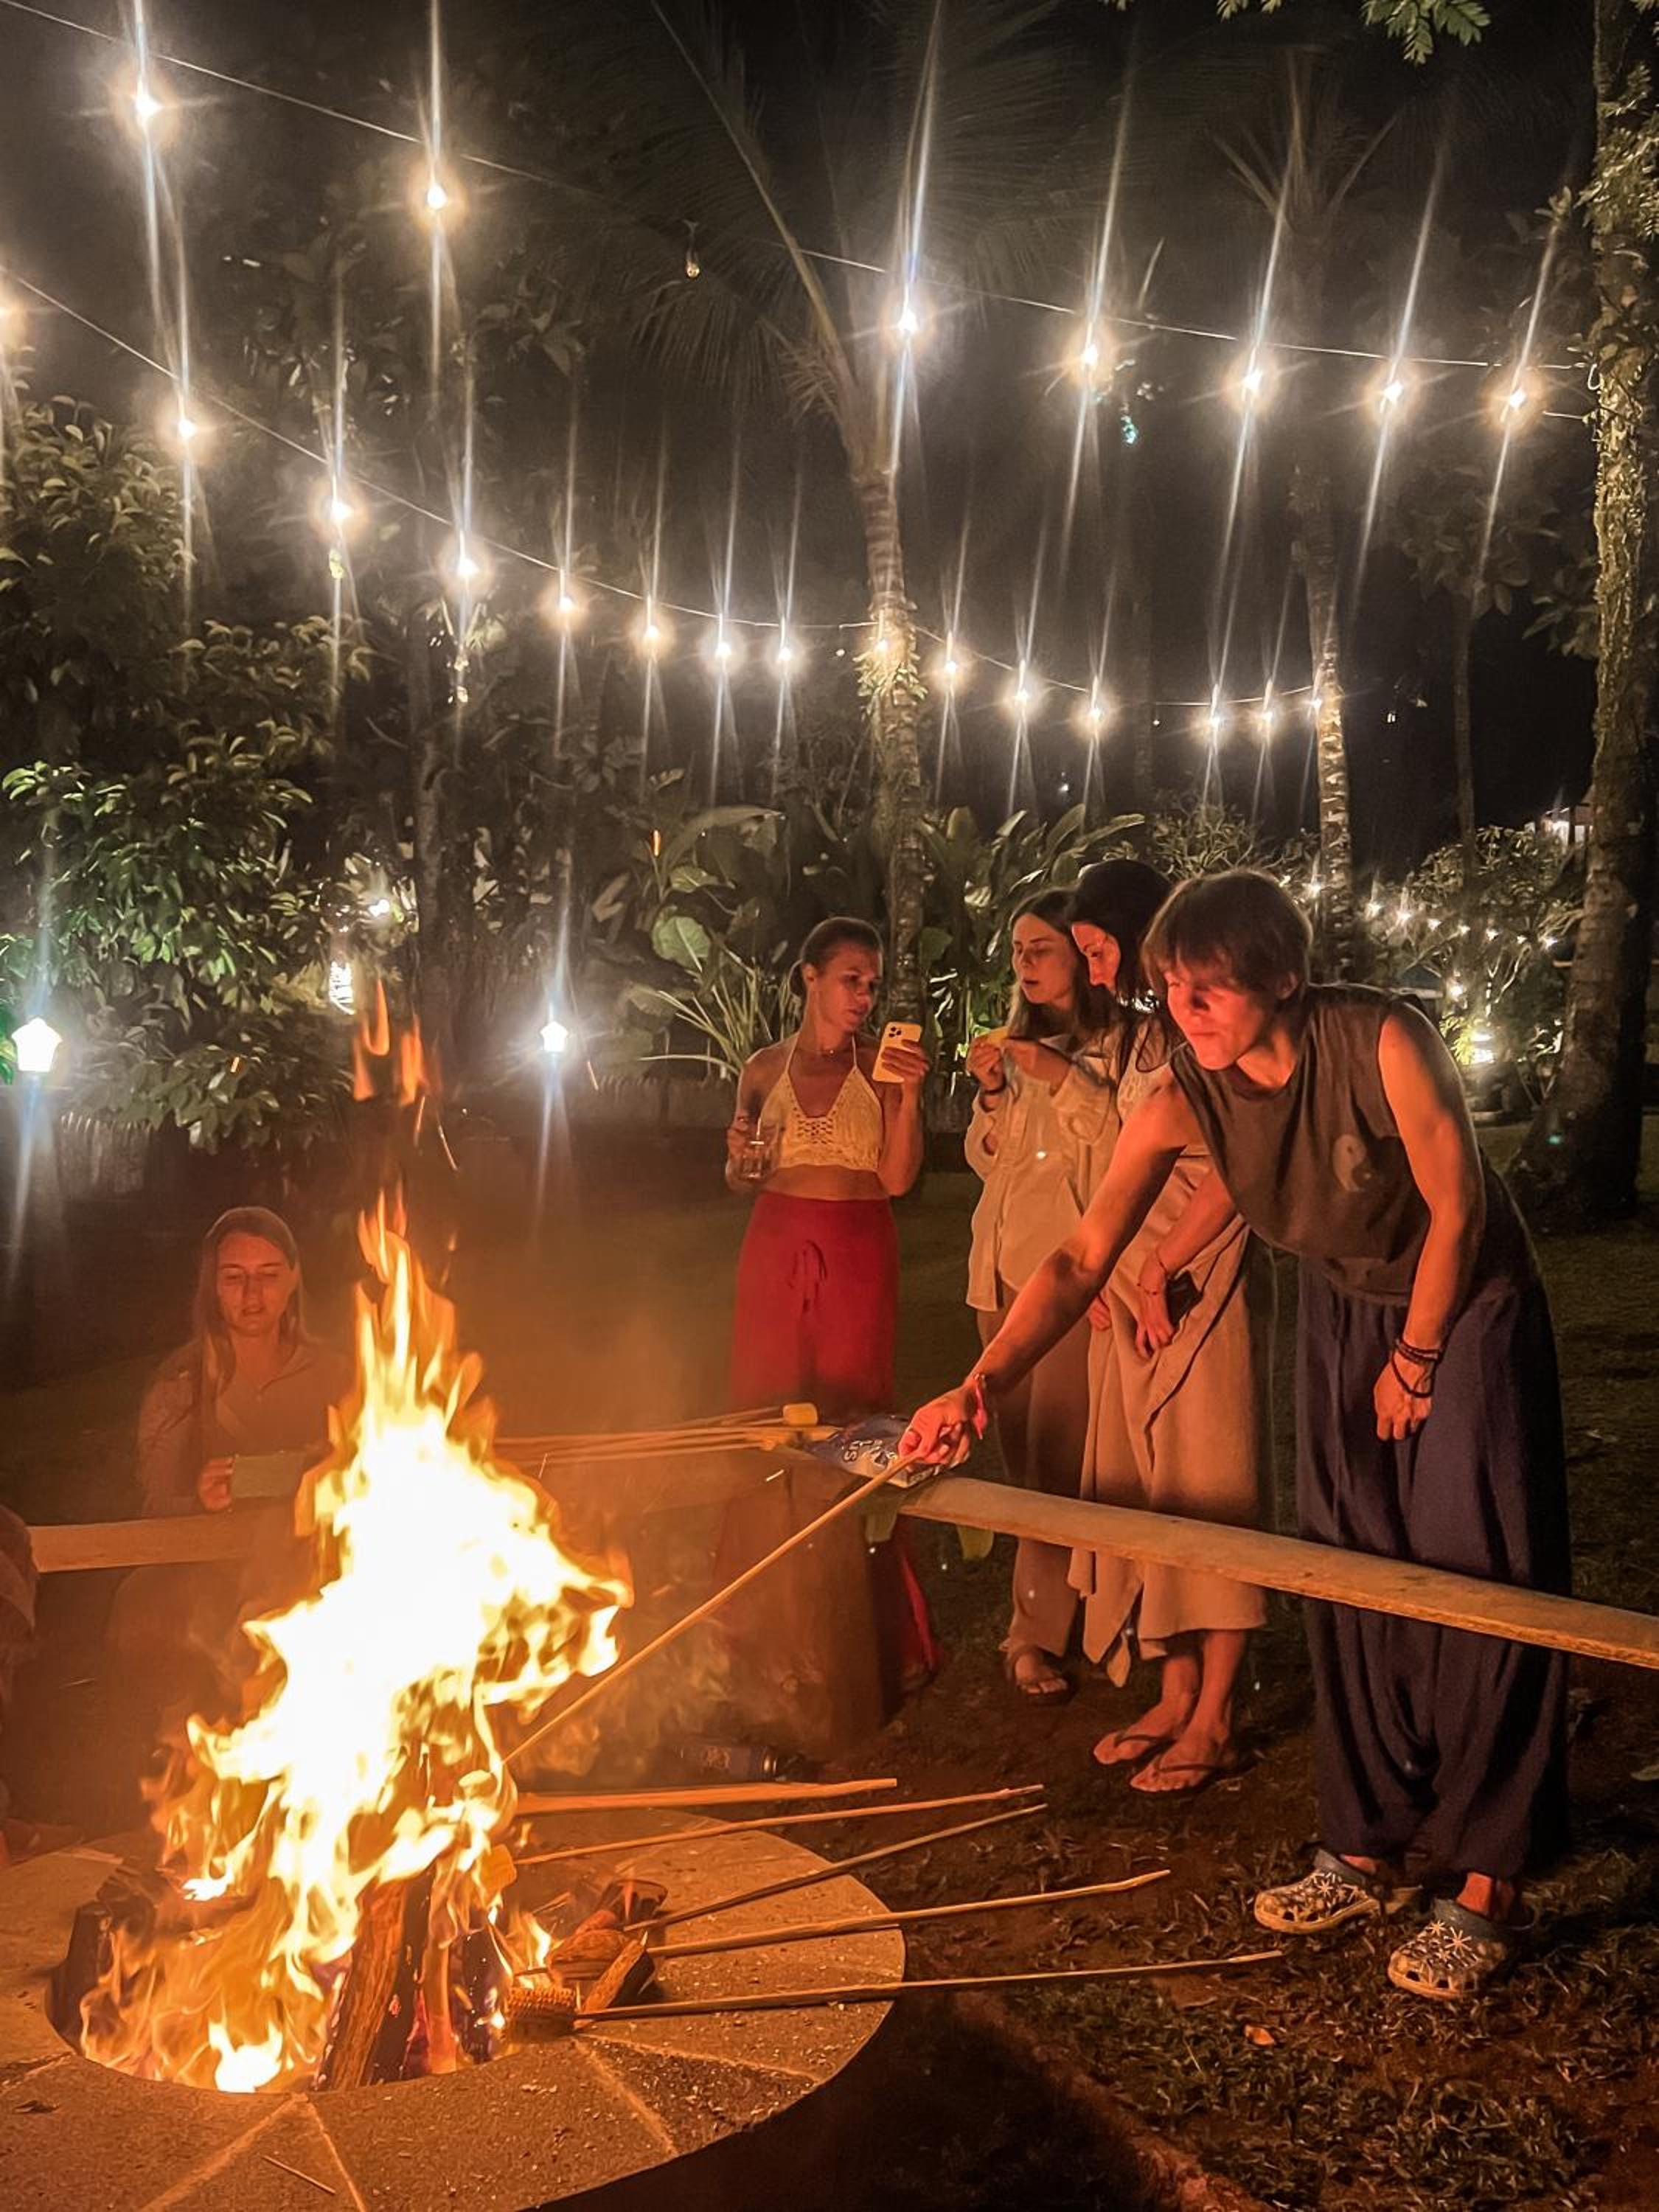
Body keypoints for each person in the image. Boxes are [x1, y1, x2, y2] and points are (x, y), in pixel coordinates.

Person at [902, 870, 1569, 2002]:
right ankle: (1364, 1844)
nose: (1185, 1010)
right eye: (1171, 987)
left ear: (1282, 980)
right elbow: (1080, 1256)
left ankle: (1485, 1879)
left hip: (1463, 1301)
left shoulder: (1383, 1040)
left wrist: (1417, 1358)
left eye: (1207, 988)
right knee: (1344, 1563)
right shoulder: (1185, 1093)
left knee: (1475, 1567)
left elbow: (1457, 1204)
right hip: (1342, 1304)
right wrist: (977, 1384)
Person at [1062, 861, 1274, 1792]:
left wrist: (1164, 1267)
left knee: (1210, 1476)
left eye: (1099, 949)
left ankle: (1215, 1714)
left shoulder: (1210, 1032)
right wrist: (1106, 1269)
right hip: (1132, 1287)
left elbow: (1238, 1166)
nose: (1094, 969)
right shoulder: (1142, 1035)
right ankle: (1173, 1688)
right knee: (1148, 1486)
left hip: (1201, 1273)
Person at [719, 917, 938, 1737]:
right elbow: (742, 1175)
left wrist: (910, 1097)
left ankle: (869, 1624)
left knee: (854, 1422)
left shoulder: (880, 1069)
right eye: (852, 978)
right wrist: (737, 1155)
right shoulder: (763, 1068)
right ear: (809, 978)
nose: (865, 996)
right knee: (763, 1417)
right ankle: (757, 1624)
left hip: (856, 1250)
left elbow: (899, 1178)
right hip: (775, 1246)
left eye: (872, 984)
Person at [110, 1208, 350, 1703]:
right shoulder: (182, 1386)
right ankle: (193, 1736)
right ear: (212, 1287)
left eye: (269, 1276)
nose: (252, 1295)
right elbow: (154, 1509)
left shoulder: (335, 1377)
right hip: (208, 1571)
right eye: (234, 1278)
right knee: (149, 1614)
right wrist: (200, 1499)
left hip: (314, 1562)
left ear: (294, 1278)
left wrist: (332, 1471)